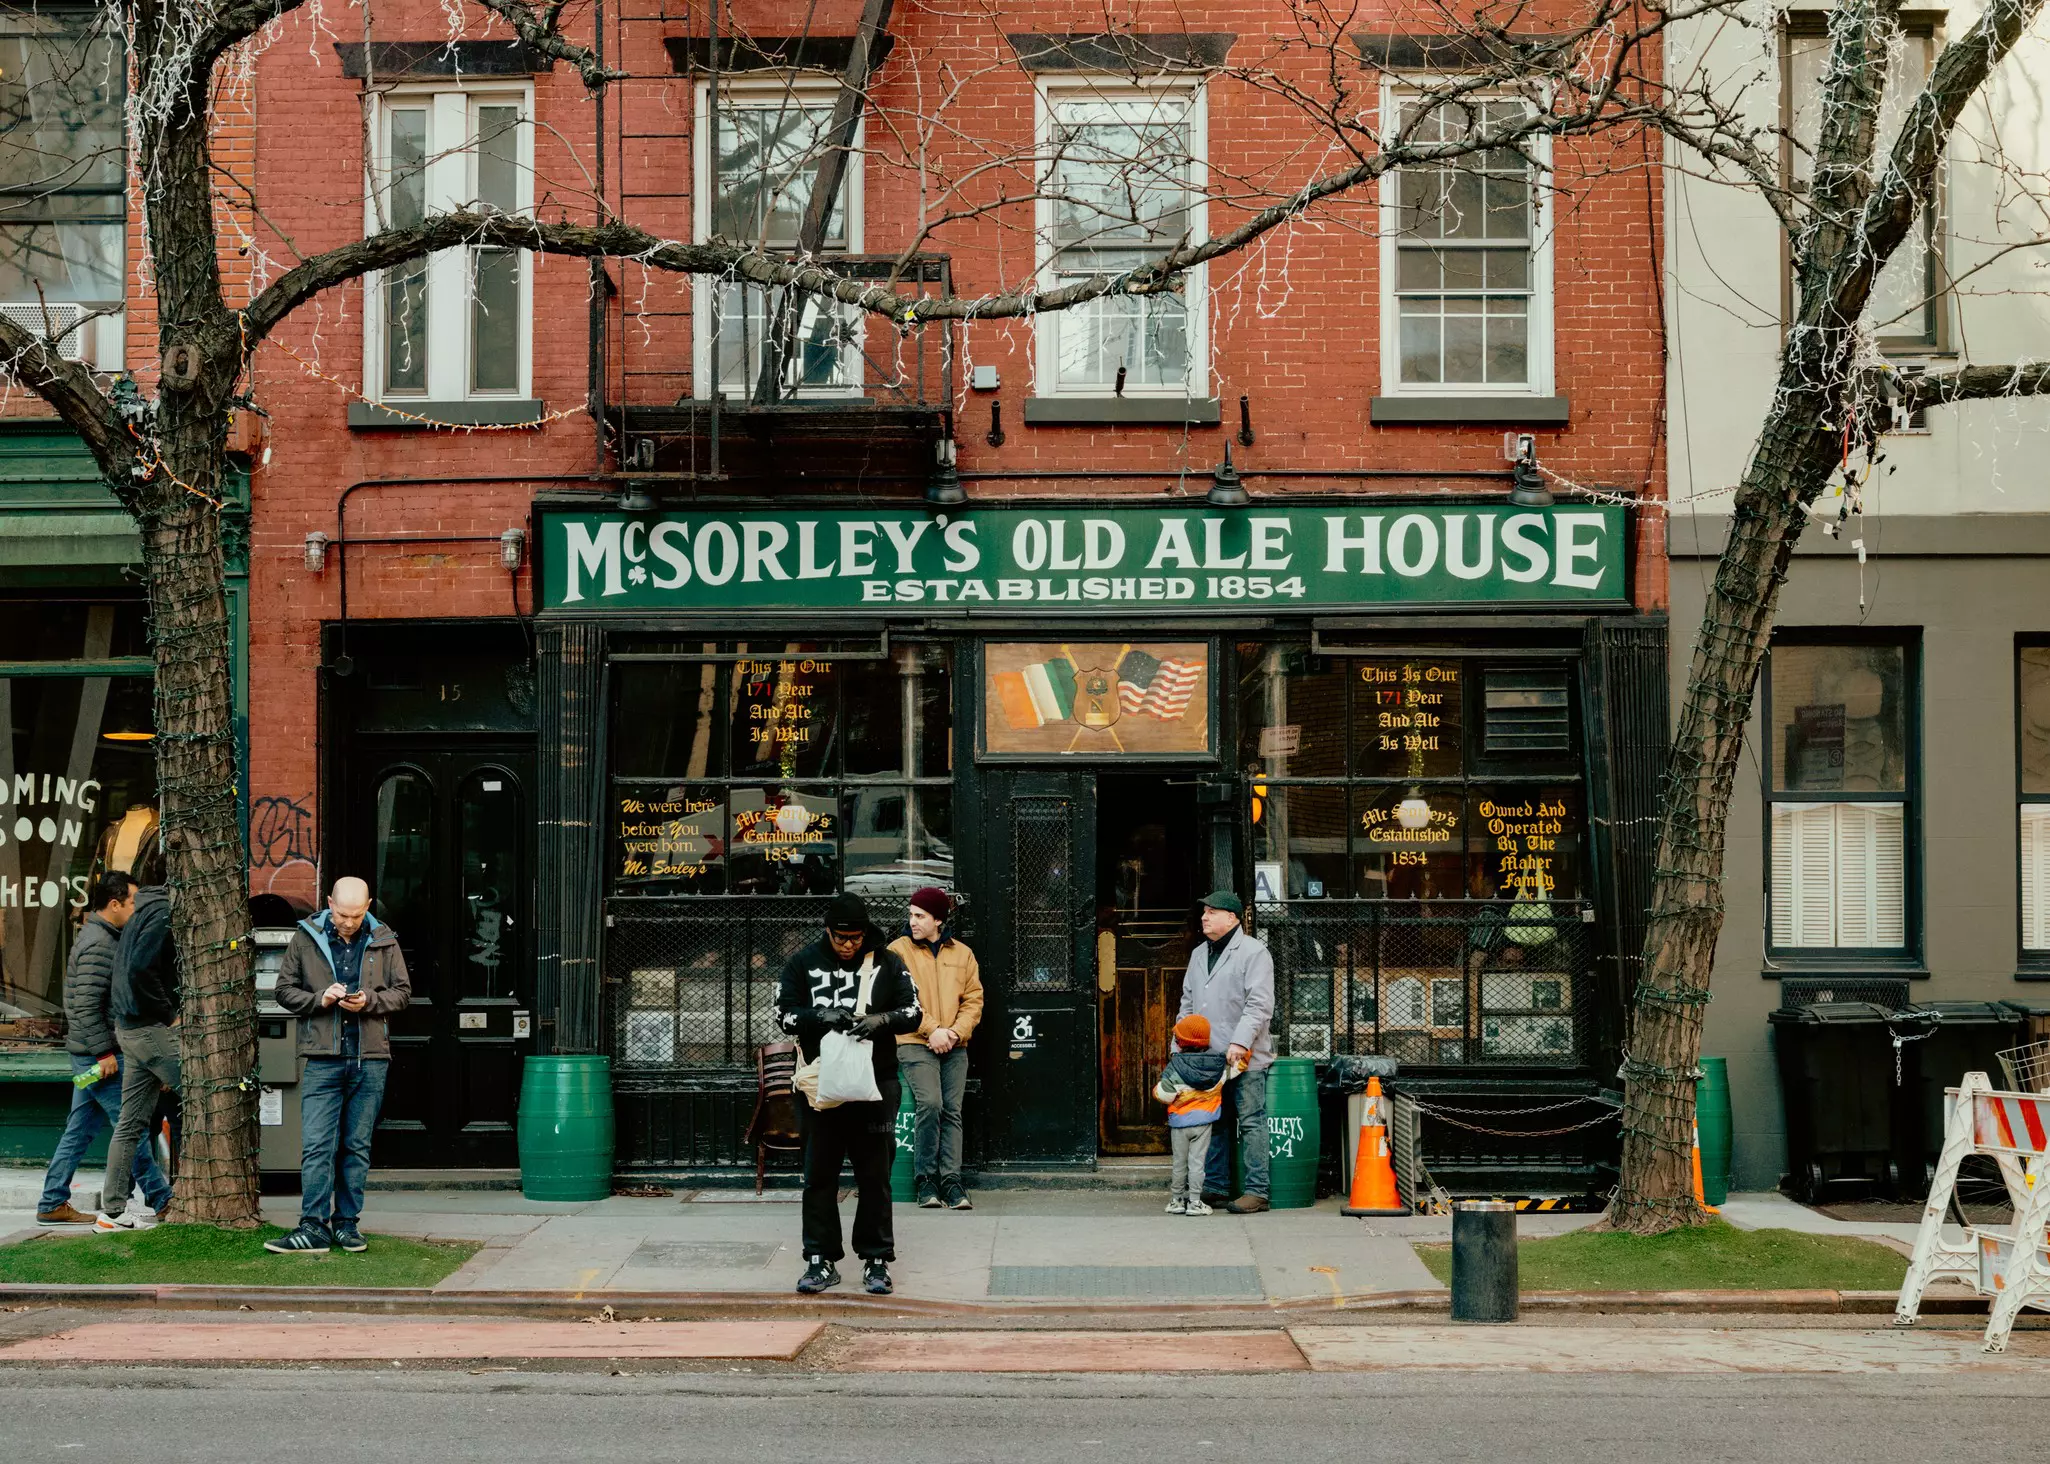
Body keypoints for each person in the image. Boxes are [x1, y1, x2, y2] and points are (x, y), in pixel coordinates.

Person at [775, 892, 921, 1295]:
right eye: (841, 938)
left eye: (856, 938)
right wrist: (818, 1016)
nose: (849, 945)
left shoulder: (888, 962)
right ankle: (819, 1260)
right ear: (828, 931)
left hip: (876, 1085)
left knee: (875, 1175)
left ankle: (877, 1260)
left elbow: (914, 1012)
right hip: (820, 1087)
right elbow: (784, 1015)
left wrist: (881, 1020)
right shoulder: (802, 962)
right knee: (819, 1174)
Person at [264, 876, 411, 1255]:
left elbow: (403, 993)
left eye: (357, 915)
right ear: (330, 902)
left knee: (356, 1147)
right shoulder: (306, 937)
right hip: (323, 1058)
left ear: (368, 905)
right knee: (316, 1147)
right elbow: (283, 990)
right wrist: (319, 999)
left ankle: (347, 1225)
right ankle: (312, 1227)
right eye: (343, 914)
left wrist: (371, 1002)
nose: (349, 922)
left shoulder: (384, 938)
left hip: (370, 1059)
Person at [37, 874, 173, 1226]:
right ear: (114, 904)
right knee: (133, 1129)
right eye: (132, 903)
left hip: (89, 1056)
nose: (136, 909)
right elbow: (84, 1007)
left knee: (79, 1130)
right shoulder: (100, 943)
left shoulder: (102, 936)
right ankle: (163, 1200)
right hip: (99, 1059)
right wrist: (103, 1054)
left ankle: (52, 1201)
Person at [1175, 889, 1276, 1214]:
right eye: (1203, 913)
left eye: (1212, 912)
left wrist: (1240, 1041)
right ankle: (1215, 1186)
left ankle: (1257, 1192)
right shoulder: (1198, 954)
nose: (1204, 918)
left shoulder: (1254, 952)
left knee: (1250, 1121)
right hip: (1207, 1058)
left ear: (1232, 918)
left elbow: (1259, 1005)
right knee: (1213, 1121)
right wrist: (1179, 1041)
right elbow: (1187, 1003)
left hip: (1244, 1056)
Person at [888, 887, 983, 1211]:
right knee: (931, 1103)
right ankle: (925, 1180)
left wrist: (954, 1033)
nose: (912, 920)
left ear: (938, 920)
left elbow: (973, 1000)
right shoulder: (898, 951)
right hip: (915, 1042)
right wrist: (933, 1030)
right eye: (911, 914)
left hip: (955, 1044)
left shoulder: (962, 954)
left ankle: (951, 1182)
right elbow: (901, 999)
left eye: (920, 915)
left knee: (952, 1111)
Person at [95, 880, 181, 1231]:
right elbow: (141, 969)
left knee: (129, 1124)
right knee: (204, 1101)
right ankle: (184, 1195)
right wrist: (169, 1014)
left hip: (129, 1029)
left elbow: (134, 970)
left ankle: (112, 1212)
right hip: (149, 1029)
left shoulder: (140, 912)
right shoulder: (162, 912)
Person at [1153, 1013, 1228, 1216]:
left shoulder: (1175, 1067)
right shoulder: (1219, 1066)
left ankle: (1176, 1200)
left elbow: (1165, 1095)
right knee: (1197, 1163)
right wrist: (1244, 1055)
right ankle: (1195, 1202)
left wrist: (1156, 1090)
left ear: (1180, 1042)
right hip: (1204, 1122)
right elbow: (1236, 1068)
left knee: (1179, 1162)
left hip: (1179, 1123)